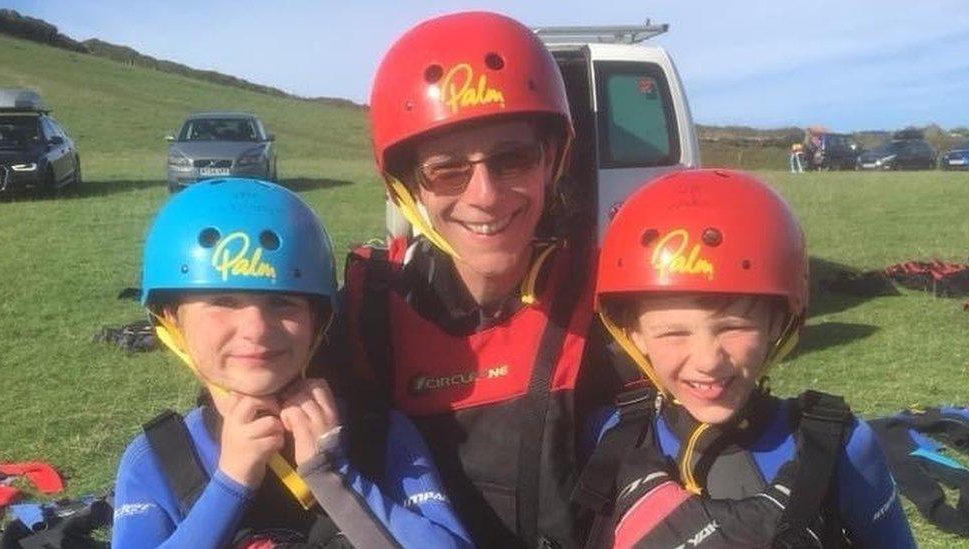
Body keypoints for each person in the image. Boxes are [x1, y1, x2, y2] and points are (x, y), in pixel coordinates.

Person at [327, 11, 639, 548]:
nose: (486, 195)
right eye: (447, 169)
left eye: (512, 158)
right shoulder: (364, 317)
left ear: (551, 161)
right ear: (409, 189)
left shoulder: (609, 304)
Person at [112, 179, 472, 548]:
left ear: (317, 320)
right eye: (222, 301)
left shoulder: (379, 433)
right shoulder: (158, 459)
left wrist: (335, 476)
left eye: (282, 302)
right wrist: (229, 485)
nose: (256, 330)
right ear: (171, 318)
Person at [586, 169, 915, 547]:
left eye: (734, 327)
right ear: (634, 335)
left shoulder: (843, 448)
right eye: (674, 333)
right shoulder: (606, 437)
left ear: (778, 323)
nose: (708, 361)